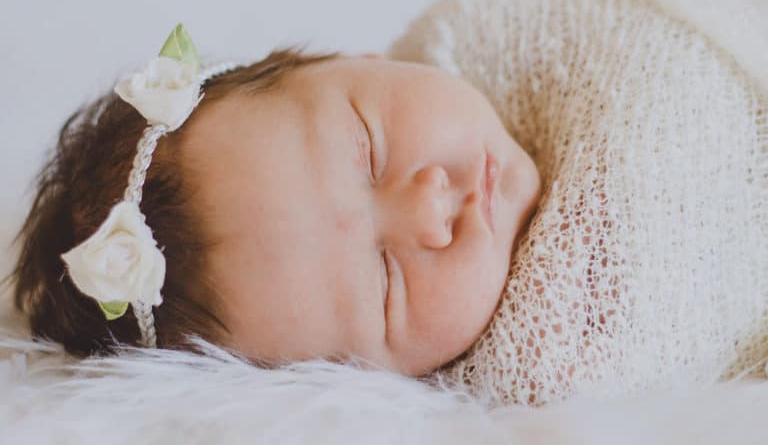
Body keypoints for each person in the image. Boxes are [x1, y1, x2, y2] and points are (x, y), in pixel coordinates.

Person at [4, 25, 542, 378]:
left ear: (355, 58)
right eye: (386, 285)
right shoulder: (543, 357)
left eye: (369, 149)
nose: (430, 207)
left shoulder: (493, 29)